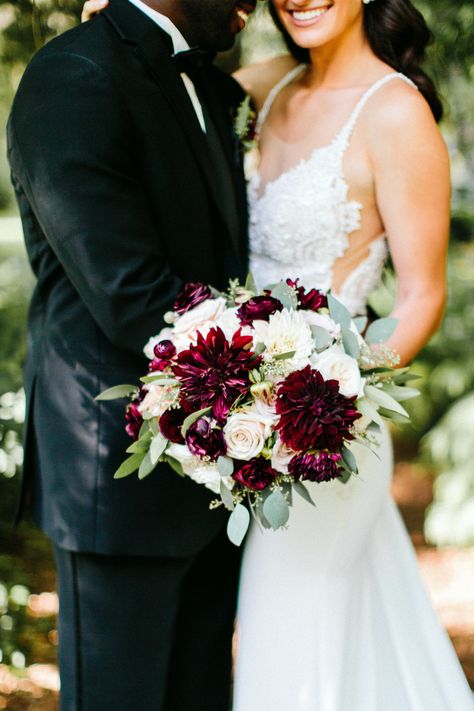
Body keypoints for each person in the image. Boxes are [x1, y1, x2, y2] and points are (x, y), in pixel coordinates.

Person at [89, 0, 474, 708]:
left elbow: (422, 298)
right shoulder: (265, 87)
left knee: (290, 641)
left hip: (323, 435)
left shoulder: (395, 113)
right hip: (241, 432)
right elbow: (158, 64)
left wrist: (322, 404)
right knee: (311, 638)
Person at [6, 0, 257, 709]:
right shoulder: (75, 74)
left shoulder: (214, 87)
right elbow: (132, 294)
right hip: (115, 480)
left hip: (218, 476)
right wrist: (277, 379)